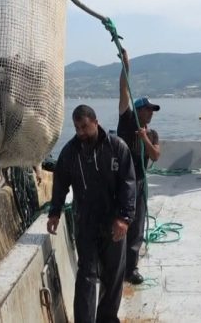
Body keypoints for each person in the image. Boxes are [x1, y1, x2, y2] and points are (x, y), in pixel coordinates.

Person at [47, 105, 136, 323]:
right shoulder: (70, 152)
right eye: (77, 128)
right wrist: (54, 212)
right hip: (86, 221)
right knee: (87, 275)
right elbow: (60, 184)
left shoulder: (117, 147)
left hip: (114, 220)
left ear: (96, 122)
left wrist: (124, 218)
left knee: (114, 275)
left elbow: (129, 184)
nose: (81, 133)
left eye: (85, 127)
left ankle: (106, 318)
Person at [117, 48, 161, 285]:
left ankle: (130, 268)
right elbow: (123, 90)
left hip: (140, 183)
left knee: (137, 227)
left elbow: (155, 156)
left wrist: (144, 138)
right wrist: (126, 67)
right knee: (119, 221)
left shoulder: (152, 133)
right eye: (148, 110)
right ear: (139, 109)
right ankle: (115, 265)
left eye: (152, 111)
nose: (151, 114)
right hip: (122, 182)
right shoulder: (126, 120)